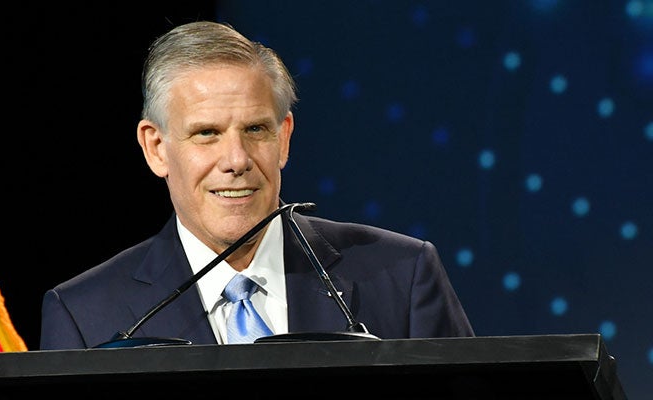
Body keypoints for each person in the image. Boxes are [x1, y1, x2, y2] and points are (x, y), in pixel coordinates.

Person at [39, 21, 474, 350]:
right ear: (156, 147)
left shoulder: (404, 275)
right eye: (207, 133)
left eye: (255, 129)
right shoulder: (83, 314)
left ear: (283, 137)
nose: (236, 160)